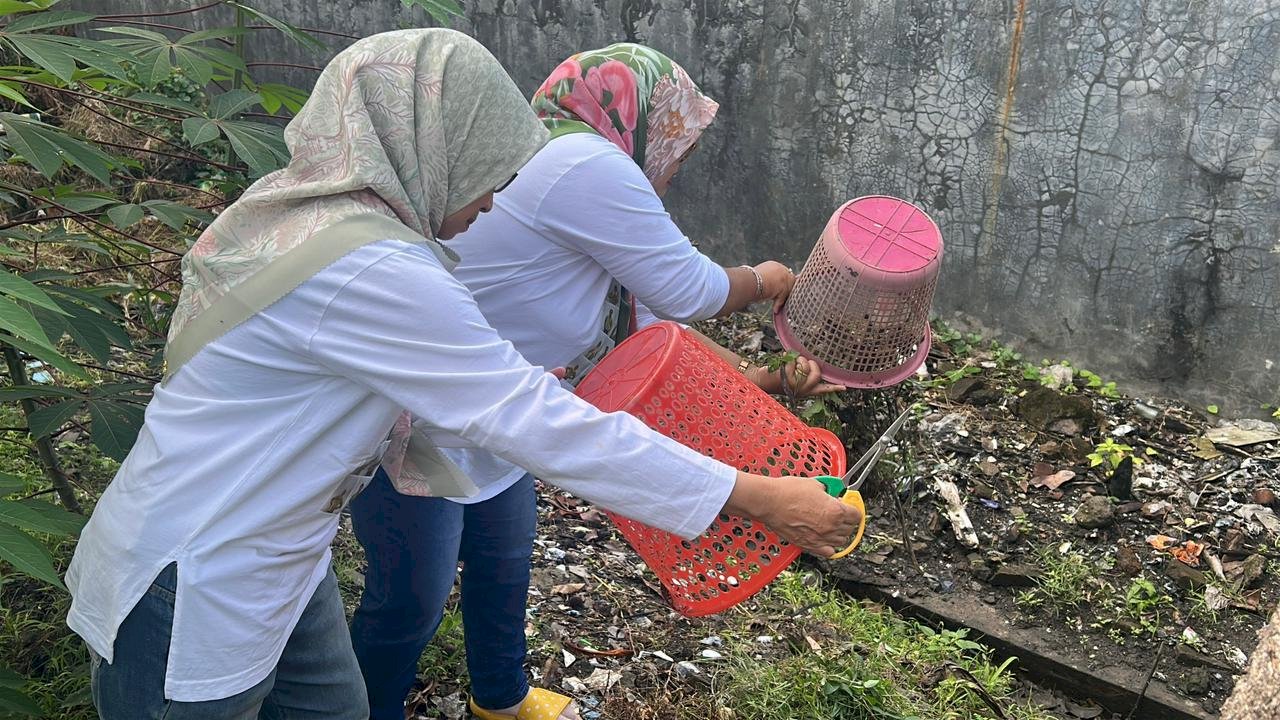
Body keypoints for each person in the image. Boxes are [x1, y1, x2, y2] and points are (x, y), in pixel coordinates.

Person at [63, 30, 859, 720]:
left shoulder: (310, 216)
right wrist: (753, 495)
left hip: (278, 557)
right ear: (427, 143)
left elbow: (629, 338)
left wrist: (757, 389)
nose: (493, 202)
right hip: (196, 581)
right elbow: (528, 415)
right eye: (485, 167)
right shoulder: (369, 266)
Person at [350, 43, 846, 720]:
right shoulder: (582, 163)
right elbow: (689, 292)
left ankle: (501, 698)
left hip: (509, 409)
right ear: (642, 119)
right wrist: (769, 279)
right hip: (420, 414)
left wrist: (762, 381)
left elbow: (641, 340)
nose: (675, 170)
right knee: (410, 597)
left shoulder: (558, 167)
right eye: (680, 144)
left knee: (503, 563)